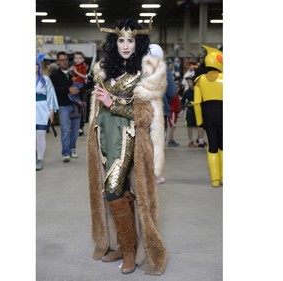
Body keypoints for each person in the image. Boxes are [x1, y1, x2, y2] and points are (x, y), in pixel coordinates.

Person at [87, 14, 167, 275]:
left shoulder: (144, 74)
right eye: (120, 39)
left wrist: (114, 104)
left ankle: (130, 250)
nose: (125, 45)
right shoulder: (104, 69)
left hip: (128, 138)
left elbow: (145, 116)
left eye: (130, 41)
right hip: (103, 138)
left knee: (112, 190)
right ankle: (122, 245)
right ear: (114, 42)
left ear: (138, 44)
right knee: (115, 192)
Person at [193, 45, 223, 187]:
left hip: (209, 118)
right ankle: (223, 177)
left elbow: (197, 103)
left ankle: (215, 179)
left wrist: (200, 122)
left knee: (212, 146)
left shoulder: (200, 80)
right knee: (223, 146)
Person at [148, 43, 176, 185]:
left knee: (143, 142)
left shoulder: (140, 69)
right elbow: (172, 92)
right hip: (160, 110)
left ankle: (140, 174)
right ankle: (155, 176)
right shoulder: (164, 70)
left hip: (143, 110)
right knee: (157, 144)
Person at [49, 51, 82, 162]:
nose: (64, 62)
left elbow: (84, 84)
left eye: (66, 59)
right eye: (61, 60)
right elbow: (55, 91)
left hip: (76, 105)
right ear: (58, 61)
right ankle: (66, 152)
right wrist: (68, 89)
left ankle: (72, 148)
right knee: (65, 130)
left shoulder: (74, 72)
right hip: (63, 106)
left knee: (75, 130)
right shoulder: (54, 75)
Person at [36, 59, 59, 171]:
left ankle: (39, 159)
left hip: (42, 109)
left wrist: (51, 111)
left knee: (40, 135)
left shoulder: (45, 79)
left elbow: (51, 95)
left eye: (35, 65)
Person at [181, 75, 206, 149]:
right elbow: (182, 102)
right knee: (190, 126)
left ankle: (200, 139)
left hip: (198, 110)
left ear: (194, 82)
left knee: (200, 125)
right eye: (187, 82)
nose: (189, 83)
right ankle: (190, 141)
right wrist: (185, 105)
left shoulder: (198, 90)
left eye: (190, 82)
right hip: (190, 111)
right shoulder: (186, 92)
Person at [167, 81, 181, 147]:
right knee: (172, 126)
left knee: (173, 126)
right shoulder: (172, 94)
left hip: (175, 112)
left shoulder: (176, 94)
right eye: (176, 86)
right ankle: (170, 140)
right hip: (172, 111)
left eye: (178, 86)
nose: (177, 87)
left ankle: (171, 139)